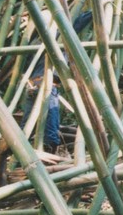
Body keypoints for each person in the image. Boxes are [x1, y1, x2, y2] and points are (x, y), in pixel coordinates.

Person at [21, 10, 93, 152]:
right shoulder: (55, 37)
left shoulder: (34, 40)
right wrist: (97, 8)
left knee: (26, 125)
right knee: (51, 126)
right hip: (46, 85)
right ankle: (49, 155)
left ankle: (20, 152)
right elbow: (77, 24)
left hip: (31, 86)